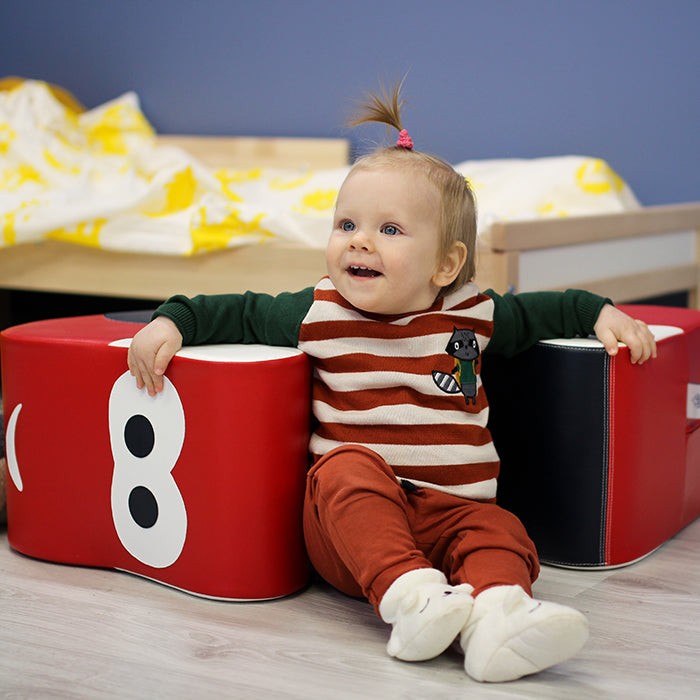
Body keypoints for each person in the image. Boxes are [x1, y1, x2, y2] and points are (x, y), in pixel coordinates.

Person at [127, 85, 656, 683]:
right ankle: (409, 598)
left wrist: (600, 312)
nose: (358, 240)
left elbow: (547, 309)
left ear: (446, 265)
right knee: (344, 468)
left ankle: (500, 616)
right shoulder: (318, 312)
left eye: (389, 230)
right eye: (346, 223)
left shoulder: (473, 314)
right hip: (354, 532)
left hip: (458, 512)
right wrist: (174, 319)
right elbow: (238, 310)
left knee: (502, 530)